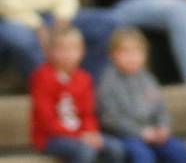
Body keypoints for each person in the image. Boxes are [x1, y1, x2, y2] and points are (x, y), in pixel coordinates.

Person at [96, 27, 186, 163]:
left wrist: (162, 127)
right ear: (112, 55)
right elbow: (110, 119)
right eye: (126, 52)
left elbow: (160, 109)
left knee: (180, 151)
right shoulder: (108, 81)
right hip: (124, 136)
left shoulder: (148, 79)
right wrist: (142, 133)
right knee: (143, 156)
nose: (132, 57)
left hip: (153, 133)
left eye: (137, 52)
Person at [30, 25, 126, 163]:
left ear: (82, 52)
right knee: (85, 150)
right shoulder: (42, 77)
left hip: (81, 134)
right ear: (49, 52)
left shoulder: (84, 78)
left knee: (116, 148)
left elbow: (88, 113)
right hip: (50, 138)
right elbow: (46, 119)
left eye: (73, 49)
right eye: (62, 50)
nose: (68, 54)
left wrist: (90, 132)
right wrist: (78, 135)